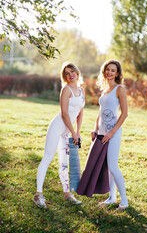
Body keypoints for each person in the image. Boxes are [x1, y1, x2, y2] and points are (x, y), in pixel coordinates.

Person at [33, 62, 85, 208]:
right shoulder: (66, 90)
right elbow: (64, 113)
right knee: (47, 157)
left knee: (64, 163)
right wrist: (73, 132)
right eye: (67, 73)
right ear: (65, 77)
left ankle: (67, 194)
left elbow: (80, 112)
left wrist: (78, 131)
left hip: (68, 130)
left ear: (77, 72)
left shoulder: (81, 91)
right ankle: (38, 195)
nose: (70, 75)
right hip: (57, 127)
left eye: (72, 71)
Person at [91, 59, 129, 211]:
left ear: (117, 73)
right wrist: (95, 129)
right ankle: (112, 197)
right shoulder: (105, 89)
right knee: (107, 166)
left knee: (113, 166)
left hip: (113, 133)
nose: (109, 72)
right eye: (107, 69)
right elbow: (100, 113)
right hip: (101, 133)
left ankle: (124, 202)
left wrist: (112, 132)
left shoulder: (120, 89)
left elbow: (125, 114)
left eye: (113, 70)